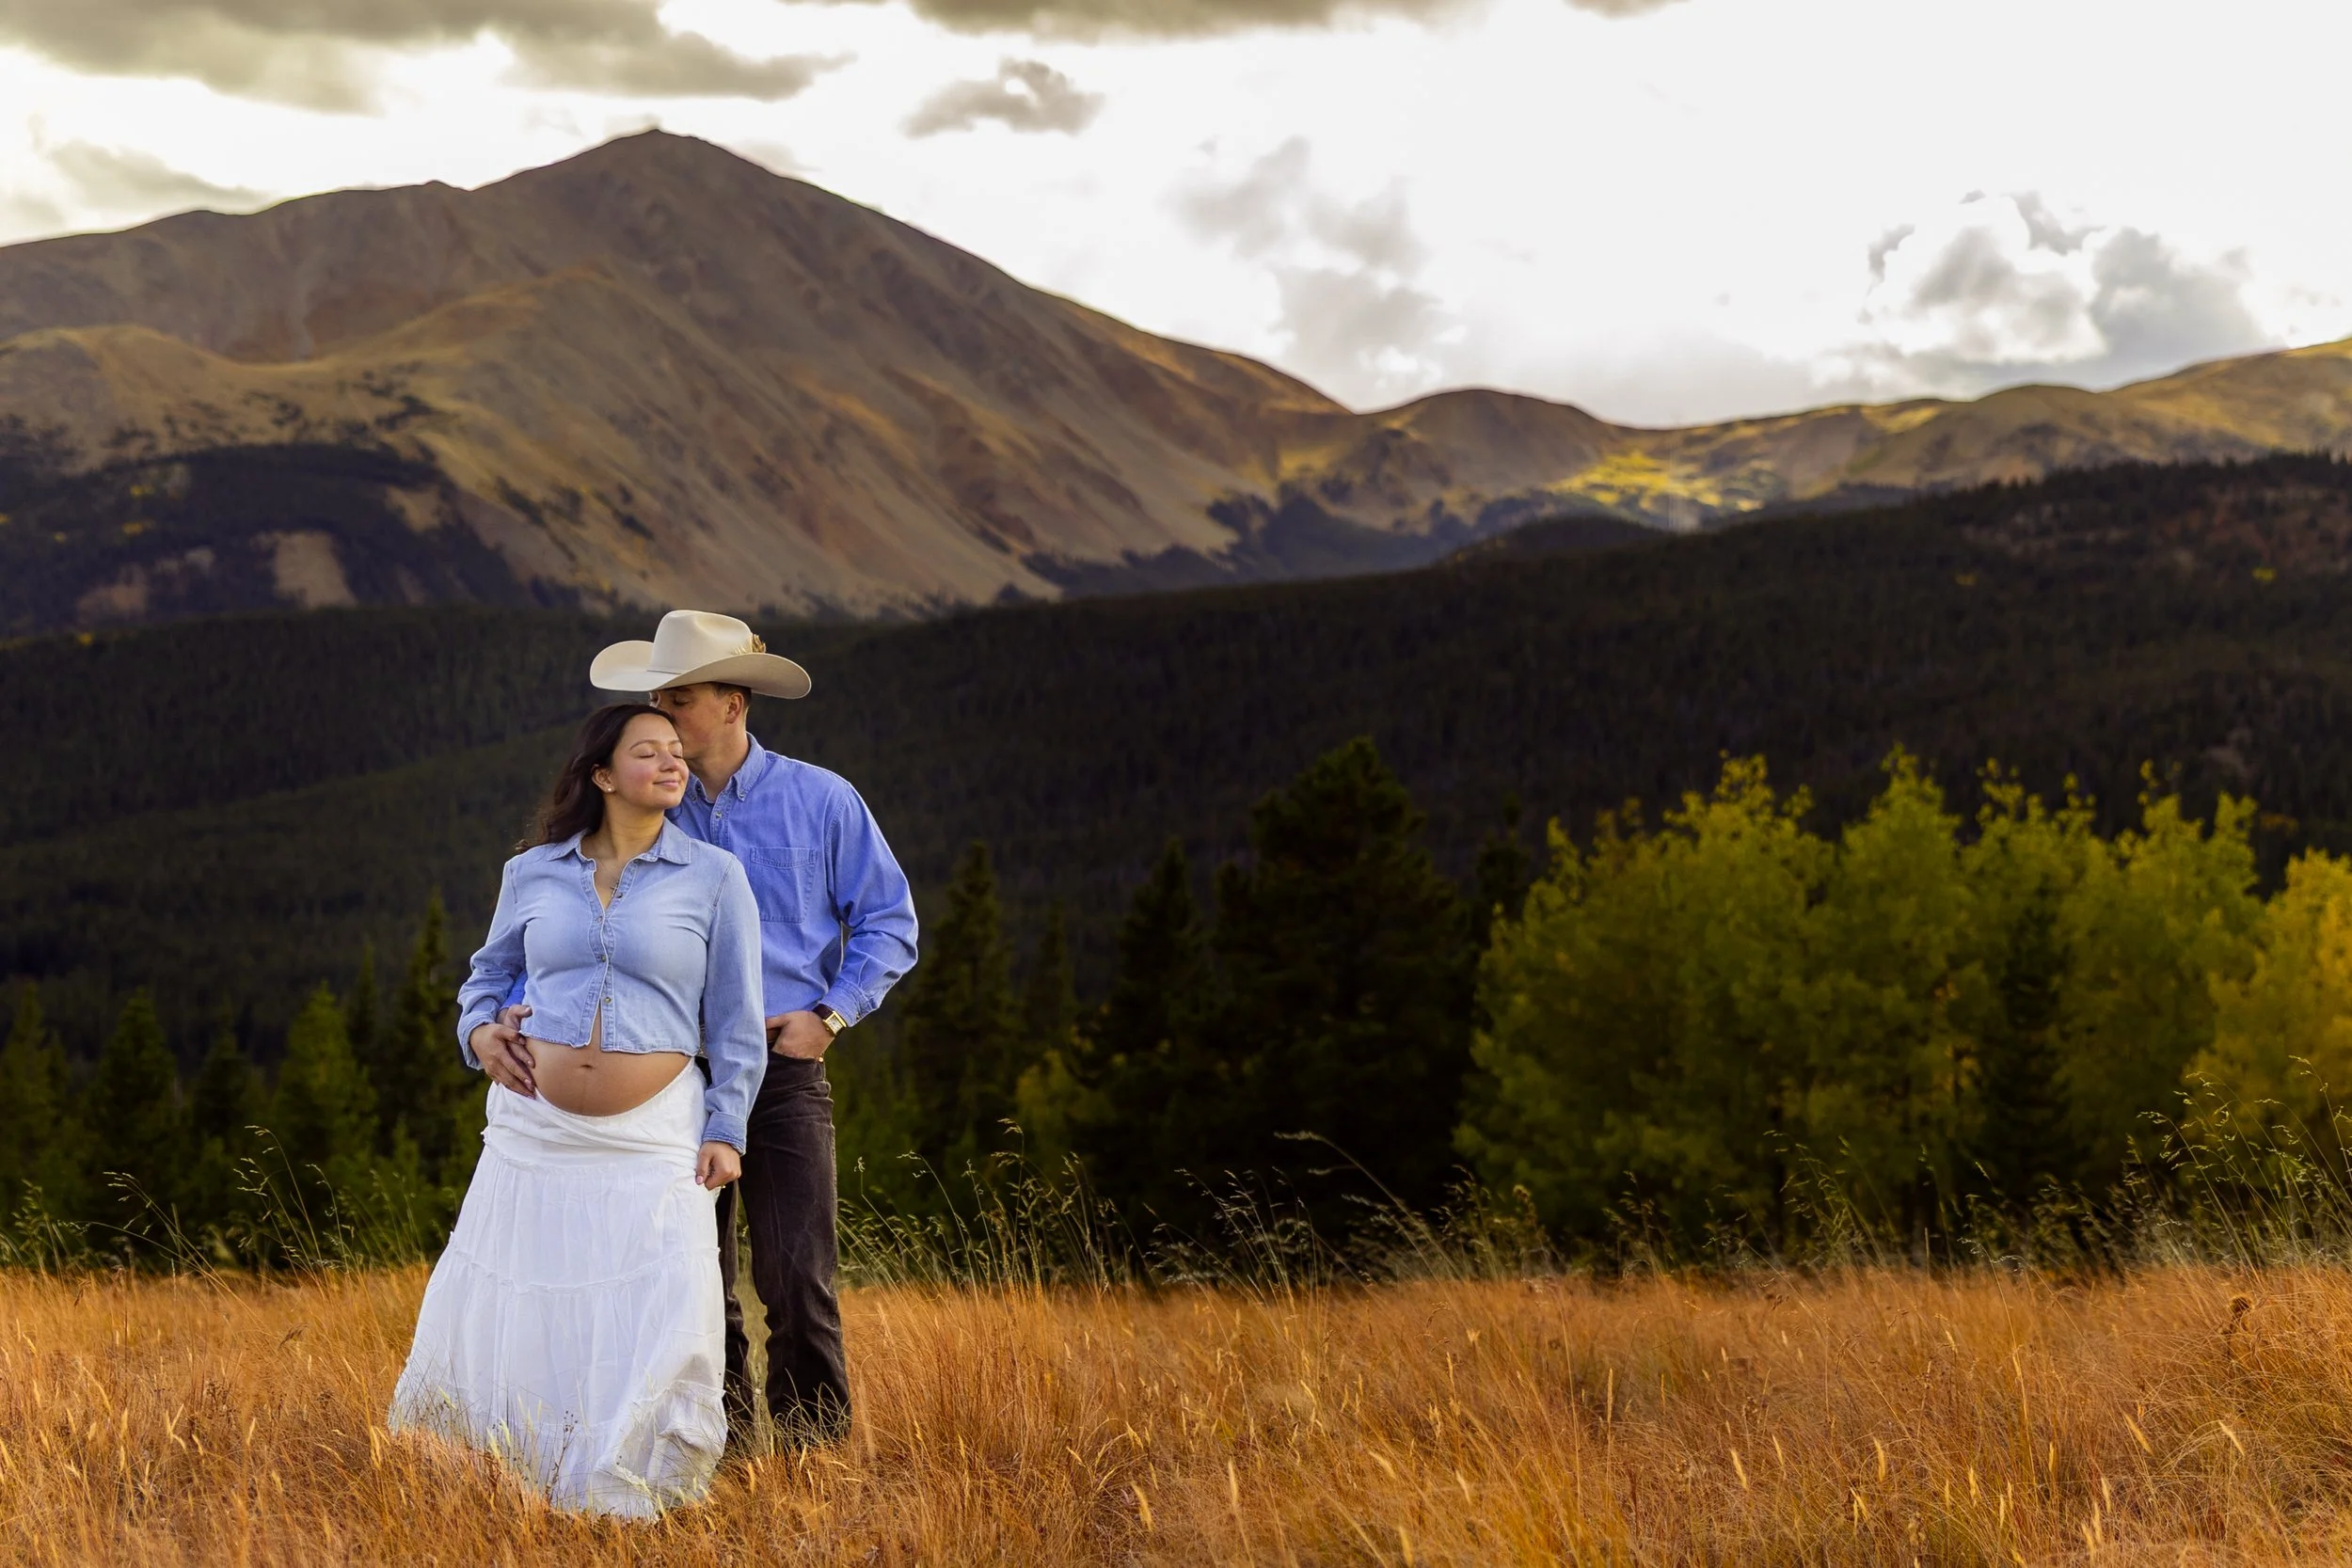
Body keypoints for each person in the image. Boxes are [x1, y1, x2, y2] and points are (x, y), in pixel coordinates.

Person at [476, 610, 918, 1448]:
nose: (663, 713)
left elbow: (890, 923)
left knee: (798, 1278)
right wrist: (511, 1008)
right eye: (660, 695)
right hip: (672, 1079)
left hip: (782, 1068)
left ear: (734, 702)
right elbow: (580, 921)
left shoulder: (821, 800)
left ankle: (813, 1461)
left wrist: (831, 1014)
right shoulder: (645, 807)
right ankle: (724, 1452)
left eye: (679, 695)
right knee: (690, 1280)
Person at [389, 703, 767, 1517]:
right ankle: (517, 1478)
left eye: (676, 752)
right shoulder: (531, 872)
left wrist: (727, 1130)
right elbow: (484, 979)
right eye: (648, 753)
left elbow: (738, 1022)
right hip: (536, 1133)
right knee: (523, 1296)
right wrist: (480, 1033)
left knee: (662, 1301)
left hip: (656, 1132)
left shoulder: (714, 877)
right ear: (601, 774)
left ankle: (635, 1489)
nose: (672, 764)